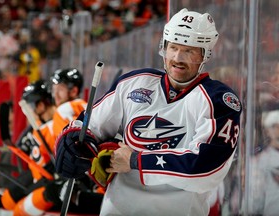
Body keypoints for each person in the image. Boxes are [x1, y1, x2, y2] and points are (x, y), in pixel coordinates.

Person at [55, 8, 242, 215]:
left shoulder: (220, 100)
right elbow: (87, 126)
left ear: (204, 54)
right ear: (164, 47)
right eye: (173, 48)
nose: (178, 58)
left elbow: (205, 169)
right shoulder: (134, 83)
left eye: (189, 51)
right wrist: (74, 144)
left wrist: (136, 160)